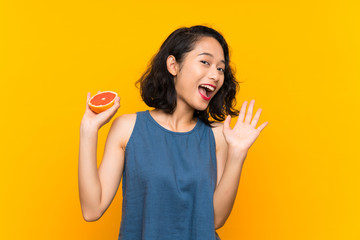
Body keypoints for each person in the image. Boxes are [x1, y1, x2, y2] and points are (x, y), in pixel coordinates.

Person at [79, 25, 269, 240]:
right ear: (173, 65)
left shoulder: (217, 136)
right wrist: (88, 130)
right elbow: (92, 210)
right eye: (205, 62)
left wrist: (237, 155)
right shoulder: (127, 128)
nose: (215, 75)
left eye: (220, 68)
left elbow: (214, 220)